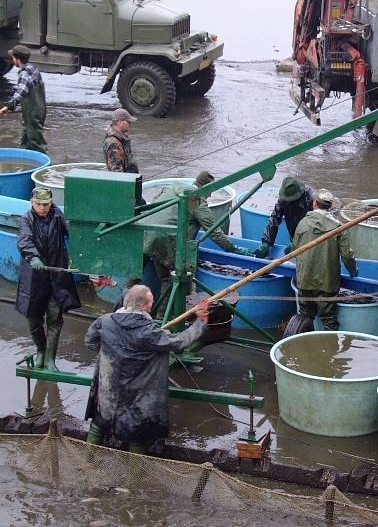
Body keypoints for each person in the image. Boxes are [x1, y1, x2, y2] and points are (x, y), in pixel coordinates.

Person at [84, 285, 209, 453]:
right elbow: (180, 342)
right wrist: (200, 322)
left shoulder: (105, 321)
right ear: (143, 306)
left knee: (99, 425)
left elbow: (90, 342)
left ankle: (86, 463)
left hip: (109, 389)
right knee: (136, 436)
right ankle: (136, 477)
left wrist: (112, 351)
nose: (152, 304)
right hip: (137, 394)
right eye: (151, 302)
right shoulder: (149, 332)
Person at [143, 171, 250, 297]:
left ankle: (120, 310)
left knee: (134, 276)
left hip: (143, 231)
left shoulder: (174, 186)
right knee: (168, 279)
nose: (209, 196)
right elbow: (214, 231)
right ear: (205, 188)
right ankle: (165, 315)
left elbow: (154, 206)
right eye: (210, 191)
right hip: (163, 238)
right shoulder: (195, 199)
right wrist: (234, 249)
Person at [15, 187, 81, 371]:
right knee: (33, 318)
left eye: (46, 204)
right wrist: (33, 257)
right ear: (31, 202)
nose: (42, 208)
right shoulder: (26, 219)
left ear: (51, 202)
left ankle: (50, 359)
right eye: (39, 204)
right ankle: (41, 350)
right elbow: (24, 240)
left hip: (56, 275)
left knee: (54, 317)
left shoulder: (58, 216)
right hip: (34, 277)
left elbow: (74, 233)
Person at [292, 189, 357, 331]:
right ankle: (329, 349)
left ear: (315, 203)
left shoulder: (302, 223)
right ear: (330, 207)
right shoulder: (338, 227)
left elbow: (295, 249)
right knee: (329, 320)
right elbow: (347, 256)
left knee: (304, 315)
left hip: (304, 279)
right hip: (327, 282)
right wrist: (353, 270)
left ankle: (302, 345)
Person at [0, 45, 47, 153]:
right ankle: (25, 163)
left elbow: (20, 92)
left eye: (13, 58)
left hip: (32, 114)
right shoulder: (33, 68)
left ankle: (46, 167)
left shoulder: (24, 73)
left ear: (18, 59)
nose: (12, 60)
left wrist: (8, 106)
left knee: (36, 144)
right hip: (39, 110)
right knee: (25, 142)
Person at [254, 176, 315, 258]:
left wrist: (297, 242)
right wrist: (267, 242)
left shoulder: (310, 199)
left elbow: (313, 226)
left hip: (310, 239)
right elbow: (274, 219)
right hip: (294, 233)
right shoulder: (283, 199)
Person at [104, 108, 139, 174]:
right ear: (120, 122)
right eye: (128, 121)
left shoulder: (122, 137)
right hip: (125, 181)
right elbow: (116, 172)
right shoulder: (113, 143)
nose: (130, 124)